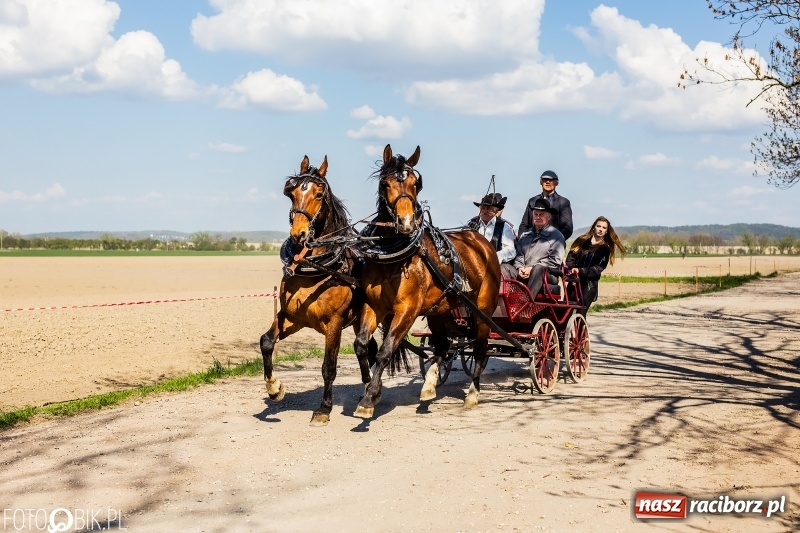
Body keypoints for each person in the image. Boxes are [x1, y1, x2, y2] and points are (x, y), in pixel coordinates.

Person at [565, 215, 626, 312]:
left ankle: (580, 326)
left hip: (589, 285)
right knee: (565, 311)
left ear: (606, 231)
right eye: (599, 226)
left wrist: (580, 270)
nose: (601, 229)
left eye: (604, 228)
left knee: (581, 312)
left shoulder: (605, 248)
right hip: (574, 281)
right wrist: (571, 269)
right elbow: (571, 257)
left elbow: (598, 268)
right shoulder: (581, 240)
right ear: (594, 227)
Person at [509, 198, 565, 297]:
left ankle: (526, 302)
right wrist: (520, 267)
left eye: (541, 214)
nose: (538, 217)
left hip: (548, 274)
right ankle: (498, 303)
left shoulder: (557, 236)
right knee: (504, 268)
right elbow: (519, 255)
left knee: (538, 269)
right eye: (536, 214)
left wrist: (531, 269)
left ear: (549, 217)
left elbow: (555, 261)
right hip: (524, 271)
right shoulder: (525, 235)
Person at [468, 193, 518, 278]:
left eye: (488, 208)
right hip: (474, 264)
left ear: (495, 210)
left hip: (498, 266)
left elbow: (511, 250)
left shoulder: (505, 227)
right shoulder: (470, 224)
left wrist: (496, 257)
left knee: (499, 271)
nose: (485, 211)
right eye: (482, 208)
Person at [518, 170, 573, 240]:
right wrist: (522, 241)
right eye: (545, 179)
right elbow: (524, 225)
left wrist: (553, 241)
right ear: (540, 182)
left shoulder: (563, 202)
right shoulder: (532, 201)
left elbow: (567, 228)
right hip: (531, 244)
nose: (547, 182)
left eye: (551, 180)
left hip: (553, 245)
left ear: (557, 182)